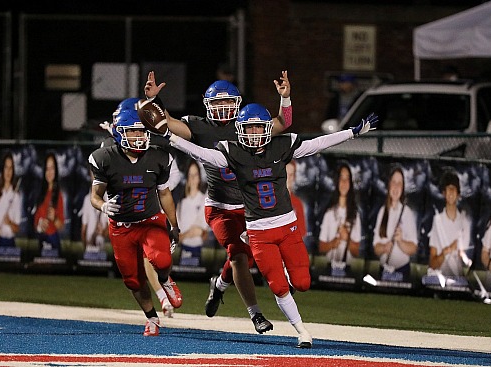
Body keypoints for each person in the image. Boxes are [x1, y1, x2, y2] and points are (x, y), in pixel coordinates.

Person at [159, 101, 377, 348]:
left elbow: (317, 143)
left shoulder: (281, 146)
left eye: (257, 129)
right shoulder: (233, 152)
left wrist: (353, 132)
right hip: (257, 230)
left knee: (302, 283)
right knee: (274, 282)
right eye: (248, 129)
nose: (252, 135)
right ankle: (301, 331)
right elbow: (202, 154)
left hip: (286, 224)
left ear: (267, 129)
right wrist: (172, 139)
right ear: (240, 130)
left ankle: (221, 284)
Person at [144, 70, 292, 334]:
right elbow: (165, 123)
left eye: (227, 102)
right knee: (237, 255)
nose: (223, 108)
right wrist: (154, 101)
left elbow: (283, 123)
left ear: (237, 104)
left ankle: (220, 285)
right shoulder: (199, 126)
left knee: (247, 257)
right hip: (221, 207)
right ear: (207, 105)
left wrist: (286, 98)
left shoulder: (247, 124)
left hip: (250, 208)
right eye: (217, 103)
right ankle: (255, 313)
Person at [88, 107, 182, 336]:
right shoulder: (104, 157)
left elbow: (165, 193)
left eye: (142, 132)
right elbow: (95, 196)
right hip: (121, 228)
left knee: (161, 259)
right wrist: (103, 206)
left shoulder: (157, 156)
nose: (140, 137)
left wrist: (174, 225)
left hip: (149, 221)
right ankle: (152, 318)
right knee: (132, 279)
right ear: (120, 133)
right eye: (133, 132)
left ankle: (164, 278)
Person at [373, 165, 418, 282]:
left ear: (403, 188)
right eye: (394, 182)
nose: (396, 187)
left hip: (402, 270)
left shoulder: (407, 212)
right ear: (389, 185)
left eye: (400, 183)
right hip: (384, 270)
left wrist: (400, 241)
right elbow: (376, 248)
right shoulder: (382, 211)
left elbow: (413, 248)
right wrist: (384, 247)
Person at [318, 161, 361, 276]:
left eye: (347, 179)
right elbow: (321, 247)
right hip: (329, 269)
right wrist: (332, 243)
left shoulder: (355, 215)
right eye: (341, 178)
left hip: (347, 270)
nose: (344, 182)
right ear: (337, 182)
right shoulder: (329, 213)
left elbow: (356, 251)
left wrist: (346, 238)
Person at [428, 170, 472, 281]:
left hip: (459, 280)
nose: (451, 192)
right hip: (439, 279)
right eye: (448, 189)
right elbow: (432, 263)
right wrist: (447, 251)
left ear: (458, 194)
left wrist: (465, 259)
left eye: (454, 189)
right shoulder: (437, 221)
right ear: (444, 193)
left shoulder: (464, 222)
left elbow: (465, 257)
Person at [176, 159, 209, 266]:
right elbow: (178, 236)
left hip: (199, 251)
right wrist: (188, 234)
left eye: (195, 175)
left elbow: (201, 232)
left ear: (199, 177)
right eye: (190, 175)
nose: (193, 178)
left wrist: (185, 235)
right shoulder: (182, 203)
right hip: (183, 251)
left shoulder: (205, 200)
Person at [0, 152, 22, 248]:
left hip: (10, 242)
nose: (8, 172)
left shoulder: (16, 197)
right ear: (2, 170)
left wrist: (9, 222)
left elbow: (17, 229)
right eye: (6, 168)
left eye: (11, 168)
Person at [34, 152, 65, 256]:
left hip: (53, 240)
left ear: (56, 170)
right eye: (47, 168)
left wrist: (54, 218)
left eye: (52, 168)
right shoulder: (39, 192)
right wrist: (40, 224)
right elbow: (35, 221)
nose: (49, 172)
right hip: (41, 239)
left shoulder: (58, 195)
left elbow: (61, 226)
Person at [80, 168, 109, 254]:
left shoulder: (110, 199)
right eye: (93, 173)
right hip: (89, 251)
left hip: (103, 252)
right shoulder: (86, 199)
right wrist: (86, 250)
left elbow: (114, 229)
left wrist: (103, 232)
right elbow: (83, 230)